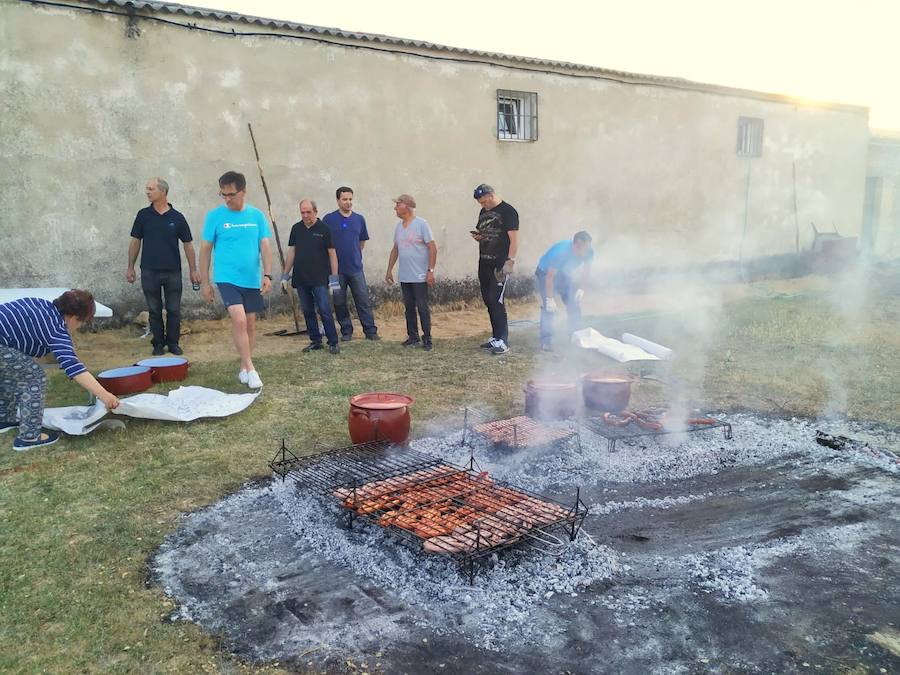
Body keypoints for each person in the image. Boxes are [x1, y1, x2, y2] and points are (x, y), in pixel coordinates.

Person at [0, 290, 120, 450]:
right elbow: (74, 368)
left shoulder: (41, 305)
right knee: (34, 377)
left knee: (14, 373)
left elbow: (23, 337)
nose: (79, 326)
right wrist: (105, 395)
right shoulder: (56, 329)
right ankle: (29, 438)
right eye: (82, 322)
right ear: (73, 317)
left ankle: (5, 419)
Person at [199, 171, 273, 389]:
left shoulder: (257, 216)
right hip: (226, 277)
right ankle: (251, 368)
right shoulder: (214, 217)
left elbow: (265, 247)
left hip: (250, 279)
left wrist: (267, 274)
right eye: (223, 194)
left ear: (243, 191)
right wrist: (205, 283)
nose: (227, 199)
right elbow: (205, 250)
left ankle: (243, 366)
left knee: (250, 324)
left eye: (231, 194)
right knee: (239, 320)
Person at [126, 177, 200, 356]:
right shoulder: (143, 215)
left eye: (151, 189)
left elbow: (188, 244)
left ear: (163, 192)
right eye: (147, 189)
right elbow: (136, 241)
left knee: (174, 310)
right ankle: (158, 344)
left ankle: (173, 343)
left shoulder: (177, 217)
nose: (148, 192)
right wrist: (131, 267)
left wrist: (193, 269)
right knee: (154, 310)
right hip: (149, 271)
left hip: (173, 272)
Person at [281, 199, 341, 355]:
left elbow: (332, 254)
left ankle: (333, 342)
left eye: (308, 212)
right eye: (302, 212)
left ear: (315, 211)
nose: (305, 215)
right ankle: (315, 341)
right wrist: (285, 275)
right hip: (301, 278)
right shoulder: (296, 228)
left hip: (319, 278)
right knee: (307, 310)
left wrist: (334, 278)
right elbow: (292, 252)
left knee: (325, 310)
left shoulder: (324, 229)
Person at [322, 186, 380, 341]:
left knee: (363, 300)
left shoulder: (359, 219)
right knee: (339, 301)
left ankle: (370, 331)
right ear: (337, 200)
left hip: (356, 269)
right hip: (335, 271)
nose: (348, 202)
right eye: (344, 199)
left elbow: (361, 242)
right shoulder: (328, 219)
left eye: (350, 199)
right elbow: (324, 243)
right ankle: (346, 331)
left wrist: (354, 256)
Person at [384, 194, 437, 351]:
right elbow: (396, 249)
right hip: (405, 276)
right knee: (409, 307)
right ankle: (412, 336)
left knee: (422, 307)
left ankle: (427, 338)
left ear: (406, 206)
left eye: (397, 204)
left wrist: (430, 271)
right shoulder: (399, 227)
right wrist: (389, 270)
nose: (395, 208)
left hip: (420, 275)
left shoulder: (421, 224)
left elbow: (432, 248)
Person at [471, 184, 519, 356]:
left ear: (491, 195)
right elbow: (487, 233)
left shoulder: (508, 211)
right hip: (484, 262)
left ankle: (503, 341)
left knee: (497, 300)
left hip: (500, 264)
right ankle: (495, 337)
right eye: (480, 203)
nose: (483, 206)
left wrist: (510, 261)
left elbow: (513, 239)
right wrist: (480, 237)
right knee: (488, 300)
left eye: (484, 202)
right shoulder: (484, 212)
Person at [534, 231, 594, 352]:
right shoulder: (561, 252)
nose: (587, 250)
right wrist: (550, 299)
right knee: (548, 308)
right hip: (545, 272)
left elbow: (586, 271)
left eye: (589, 246)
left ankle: (576, 335)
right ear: (577, 245)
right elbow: (550, 277)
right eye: (585, 248)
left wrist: (582, 288)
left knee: (573, 303)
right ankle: (546, 341)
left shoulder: (589, 251)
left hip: (564, 274)